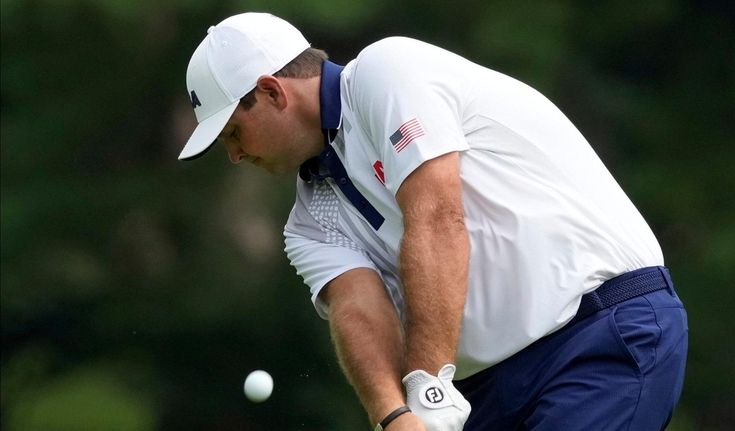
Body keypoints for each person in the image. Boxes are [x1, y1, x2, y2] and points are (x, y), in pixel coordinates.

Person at [178, 12, 688, 431]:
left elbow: (438, 215)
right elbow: (358, 307)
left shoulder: (386, 72)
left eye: (233, 133)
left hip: (601, 332)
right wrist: (395, 415)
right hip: (486, 392)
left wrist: (428, 383)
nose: (235, 156)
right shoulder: (308, 222)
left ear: (272, 92)